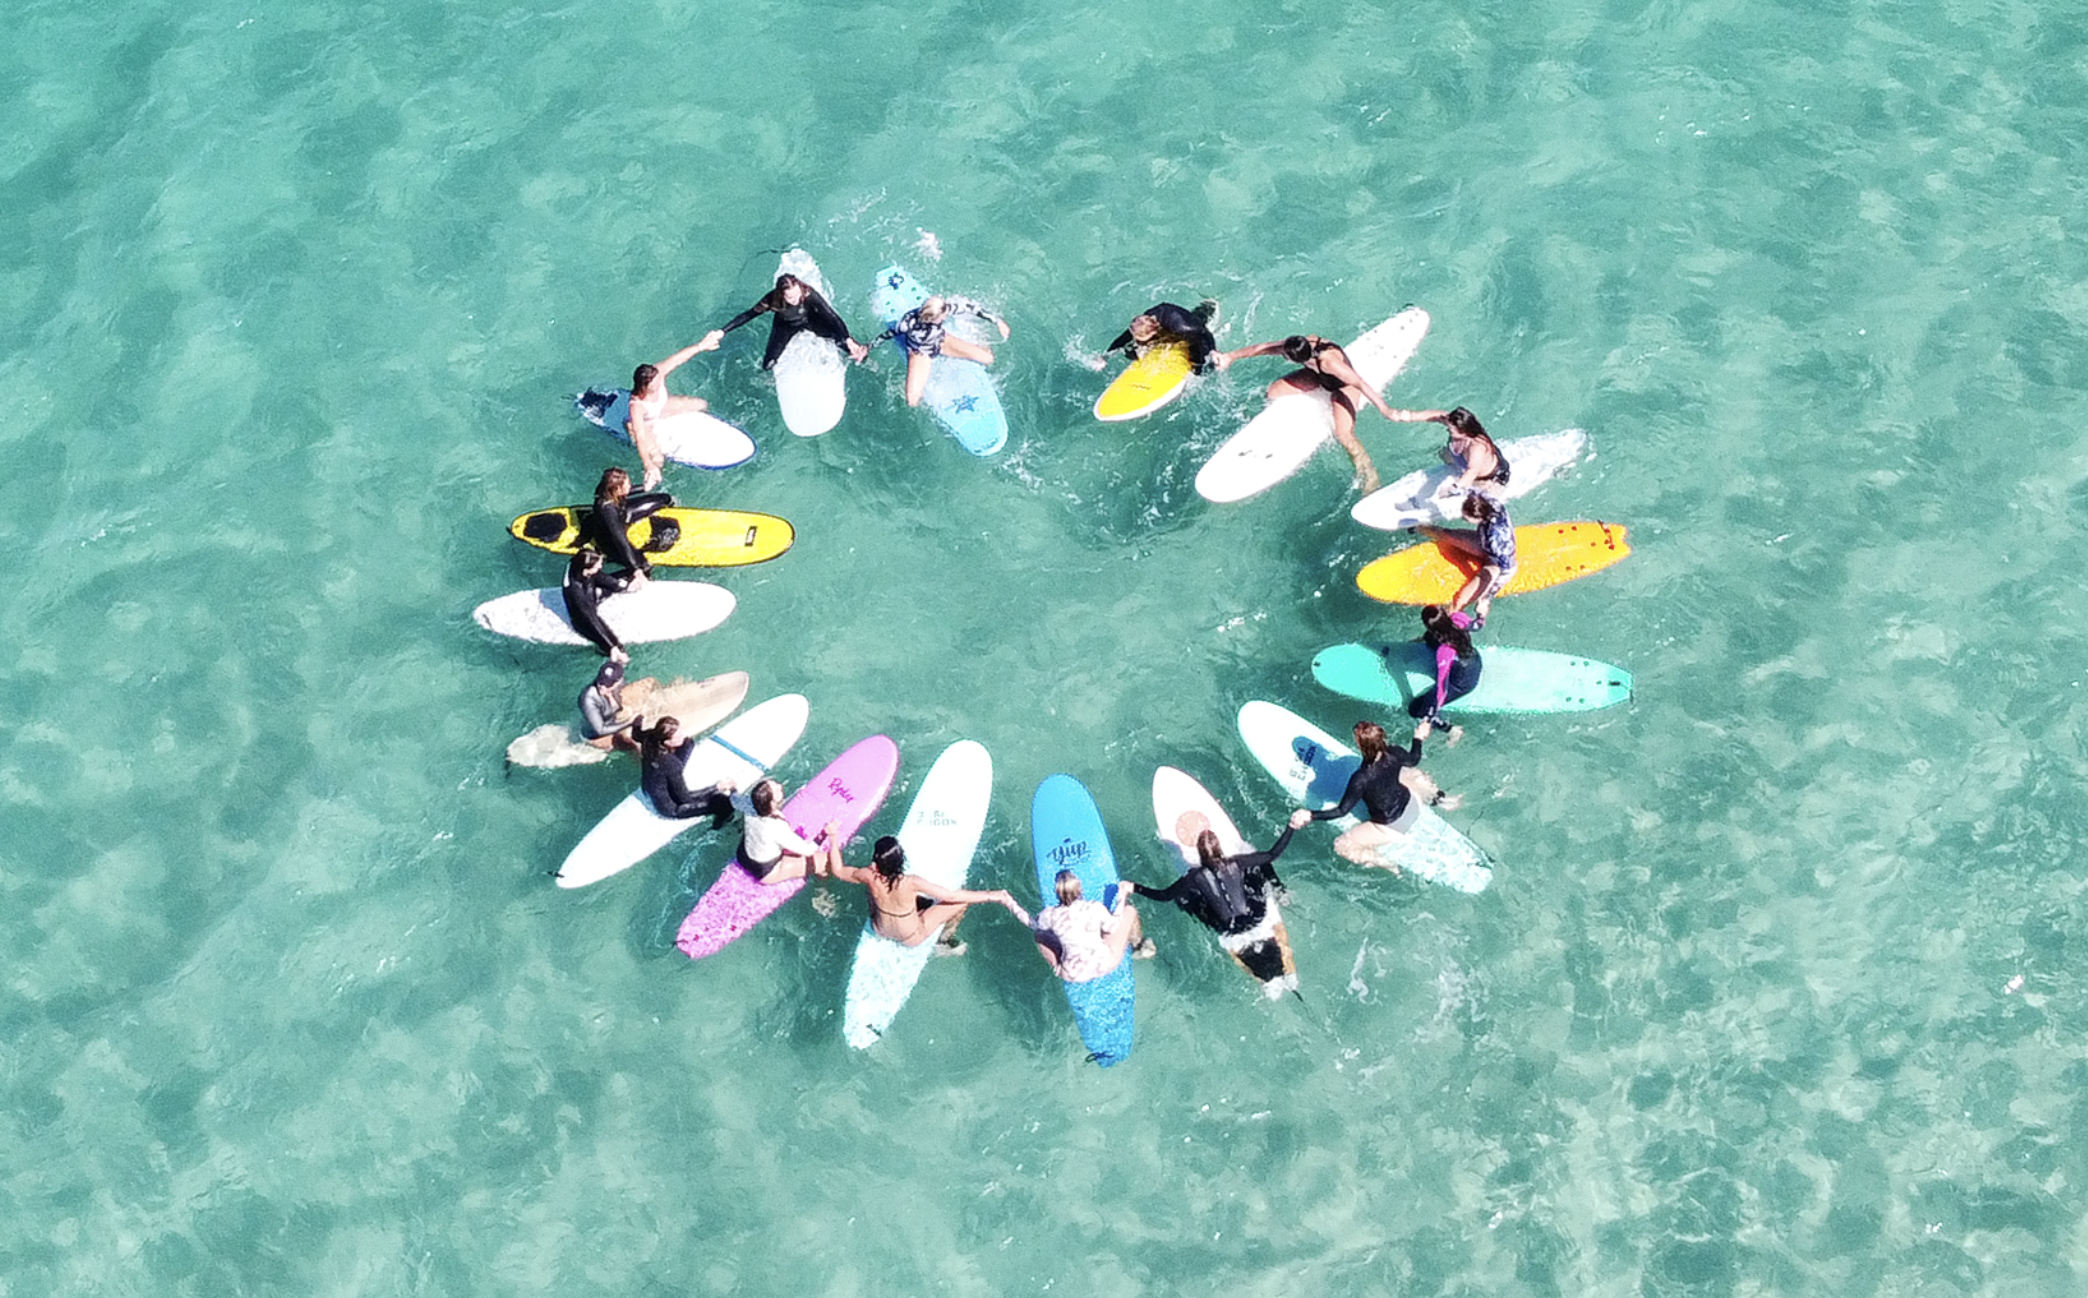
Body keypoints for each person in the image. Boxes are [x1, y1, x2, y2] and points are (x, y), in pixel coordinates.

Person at [1126, 812, 1305, 981]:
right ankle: (1290, 976)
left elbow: (1164, 895)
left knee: (1189, 900)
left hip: (1230, 928)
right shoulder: (1237, 862)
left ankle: (1267, 983)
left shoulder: (1194, 877)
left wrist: (1134, 887)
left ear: (1199, 852)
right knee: (1257, 877)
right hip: (1255, 918)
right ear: (1219, 847)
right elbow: (1272, 854)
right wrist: (1291, 827)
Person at [1214, 334, 1404, 492]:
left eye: (1285, 356)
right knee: (1273, 391)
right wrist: (1230, 357)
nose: (1282, 355)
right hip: (1318, 377)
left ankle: (1370, 477)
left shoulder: (1329, 363)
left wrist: (1385, 409)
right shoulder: (1299, 343)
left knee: (1344, 435)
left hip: (1343, 387)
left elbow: (1359, 383)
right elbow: (1264, 347)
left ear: (1298, 358)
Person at [1298, 720, 1460, 871]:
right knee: (1412, 773)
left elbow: (1341, 811)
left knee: (1342, 845)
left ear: (1360, 746)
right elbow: (1413, 760)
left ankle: (1387, 865)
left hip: (1390, 828)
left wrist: (1311, 815)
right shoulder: (1394, 752)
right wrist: (1418, 738)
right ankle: (1441, 800)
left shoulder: (1361, 778)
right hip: (1412, 803)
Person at [826, 835, 1024, 955]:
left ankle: (916, 908)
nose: (873, 864)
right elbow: (952, 896)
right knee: (960, 903)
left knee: (871, 890)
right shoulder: (912, 882)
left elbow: (838, 870)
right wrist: (994, 895)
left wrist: (833, 837)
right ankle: (945, 940)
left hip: (880, 929)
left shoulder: (869, 876)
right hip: (911, 936)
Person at [701, 273, 870, 371]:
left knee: (850, 347)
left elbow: (832, 317)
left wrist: (847, 339)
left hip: (812, 320)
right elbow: (749, 315)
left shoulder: (808, 294)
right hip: (786, 325)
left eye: (797, 295)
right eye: (790, 297)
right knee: (768, 365)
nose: (796, 300)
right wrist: (722, 331)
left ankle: (870, 365)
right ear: (781, 295)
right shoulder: (771, 300)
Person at [876, 292, 1011, 407]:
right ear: (931, 318)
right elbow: (887, 335)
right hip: (921, 353)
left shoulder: (943, 309)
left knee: (988, 359)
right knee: (912, 400)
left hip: (941, 341)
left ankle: (980, 341)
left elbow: (972, 308)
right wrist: (868, 347)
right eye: (943, 316)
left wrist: (997, 321)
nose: (946, 316)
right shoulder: (906, 324)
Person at [1017, 870, 1154, 983]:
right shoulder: (1095, 908)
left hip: (1072, 974)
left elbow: (1029, 922)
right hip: (1103, 965)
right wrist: (1122, 897)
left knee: (1039, 934)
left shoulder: (1049, 915)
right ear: (1079, 889)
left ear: (1057, 892)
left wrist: (1007, 901)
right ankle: (1139, 946)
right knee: (1129, 911)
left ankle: (1057, 968)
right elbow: (1112, 927)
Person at [625, 338, 724, 490]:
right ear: (644, 387)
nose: (660, 384)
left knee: (701, 404)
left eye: (659, 380)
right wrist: (648, 464)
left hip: (662, 409)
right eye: (656, 385)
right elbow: (640, 436)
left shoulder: (657, 372)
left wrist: (701, 346)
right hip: (645, 424)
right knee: (658, 459)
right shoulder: (637, 405)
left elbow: (678, 359)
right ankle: (650, 478)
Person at [1418, 491, 1517, 625]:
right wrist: (1449, 492)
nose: (1463, 518)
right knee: (1444, 533)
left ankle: (1445, 626)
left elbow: (1505, 569)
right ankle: (1415, 526)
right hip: (1483, 541)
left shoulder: (1497, 540)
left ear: (1479, 517)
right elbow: (1471, 489)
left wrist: (1486, 598)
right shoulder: (1487, 500)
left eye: (1467, 518)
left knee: (1458, 602)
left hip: (1499, 565)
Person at [1377, 406, 1509, 499]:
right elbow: (1433, 415)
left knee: (1480, 500)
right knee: (1443, 454)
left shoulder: (1476, 447)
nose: (1448, 429)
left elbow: (1472, 471)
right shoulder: (1455, 422)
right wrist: (1408, 416)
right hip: (1463, 459)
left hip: (1491, 477)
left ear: (1465, 431)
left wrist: (1453, 489)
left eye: (1452, 429)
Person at [730, 777, 839, 886]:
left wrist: (732, 789)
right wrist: (825, 833)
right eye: (777, 790)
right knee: (826, 861)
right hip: (764, 872)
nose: (780, 786)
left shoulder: (750, 804)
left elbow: (734, 799)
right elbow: (808, 850)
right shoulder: (776, 828)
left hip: (742, 856)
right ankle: (822, 888)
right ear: (772, 803)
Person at [637, 716, 736, 825]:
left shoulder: (649, 739)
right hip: (670, 808)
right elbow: (685, 800)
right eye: (678, 737)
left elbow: (635, 734)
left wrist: (638, 720)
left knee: (688, 743)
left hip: (649, 788)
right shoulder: (671, 764)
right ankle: (720, 825)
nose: (683, 736)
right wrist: (717, 787)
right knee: (725, 802)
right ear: (667, 743)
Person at [578, 467, 672, 583]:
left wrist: (644, 488)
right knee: (644, 566)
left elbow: (626, 491)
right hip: (610, 543)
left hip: (623, 513)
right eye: (627, 485)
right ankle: (604, 581)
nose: (630, 486)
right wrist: (635, 568)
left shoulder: (607, 489)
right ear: (617, 489)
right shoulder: (607, 511)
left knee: (665, 499)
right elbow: (620, 540)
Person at [1407, 605, 1479, 742]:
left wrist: (1429, 717)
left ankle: (1453, 730)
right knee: (1429, 638)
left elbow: (1442, 687)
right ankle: (1426, 639)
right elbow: (1478, 625)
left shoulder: (1444, 652)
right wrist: (1480, 614)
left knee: (1415, 710)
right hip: (1475, 659)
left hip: (1463, 682)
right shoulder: (1459, 618)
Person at [1100, 300, 1220, 373]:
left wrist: (1212, 352)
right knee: (1130, 350)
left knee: (1201, 364)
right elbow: (1123, 338)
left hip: (1186, 323)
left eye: (1141, 340)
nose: (1138, 342)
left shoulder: (1184, 328)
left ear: (1152, 334)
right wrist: (1104, 357)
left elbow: (1204, 334)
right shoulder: (1142, 322)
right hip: (1165, 315)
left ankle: (1209, 306)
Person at [561, 546, 632, 661]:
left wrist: (623, 586)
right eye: (597, 565)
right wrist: (611, 646)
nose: (601, 566)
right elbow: (591, 619)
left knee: (637, 572)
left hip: (591, 591)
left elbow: (597, 575)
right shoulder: (576, 593)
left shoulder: (579, 564)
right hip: (584, 621)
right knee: (619, 650)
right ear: (586, 570)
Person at [577, 659, 641, 753]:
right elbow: (601, 730)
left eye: (608, 685)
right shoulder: (588, 699)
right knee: (633, 742)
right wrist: (629, 722)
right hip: (597, 737)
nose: (602, 687)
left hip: (613, 722)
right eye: (600, 682)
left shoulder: (619, 683)